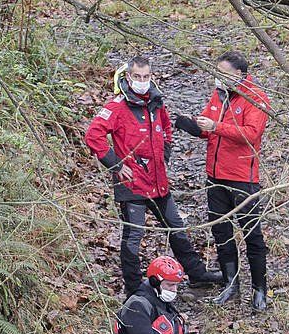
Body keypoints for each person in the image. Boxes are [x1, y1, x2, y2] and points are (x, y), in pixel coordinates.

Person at [84, 55, 222, 297]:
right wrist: (116, 165)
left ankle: (197, 274)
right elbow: (93, 136)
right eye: (137, 77)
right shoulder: (116, 106)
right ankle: (134, 289)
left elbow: (166, 128)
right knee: (133, 238)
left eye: (146, 76)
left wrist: (164, 154)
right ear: (128, 77)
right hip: (132, 185)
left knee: (176, 228)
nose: (142, 81)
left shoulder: (156, 102)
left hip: (158, 182)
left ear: (151, 76)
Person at [174, 51, 270, 312]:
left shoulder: (256, 97)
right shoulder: (219, 94)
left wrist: (215, 126)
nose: (218, 77)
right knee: (222, 232)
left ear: (239, 74)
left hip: (243, 179)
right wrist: (189, 125)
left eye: (223, 73)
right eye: (216, 72)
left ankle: (260, 289)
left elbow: (251, 134)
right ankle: (231, 283)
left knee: (252, 235)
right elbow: (207, 128)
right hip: (215, 176)